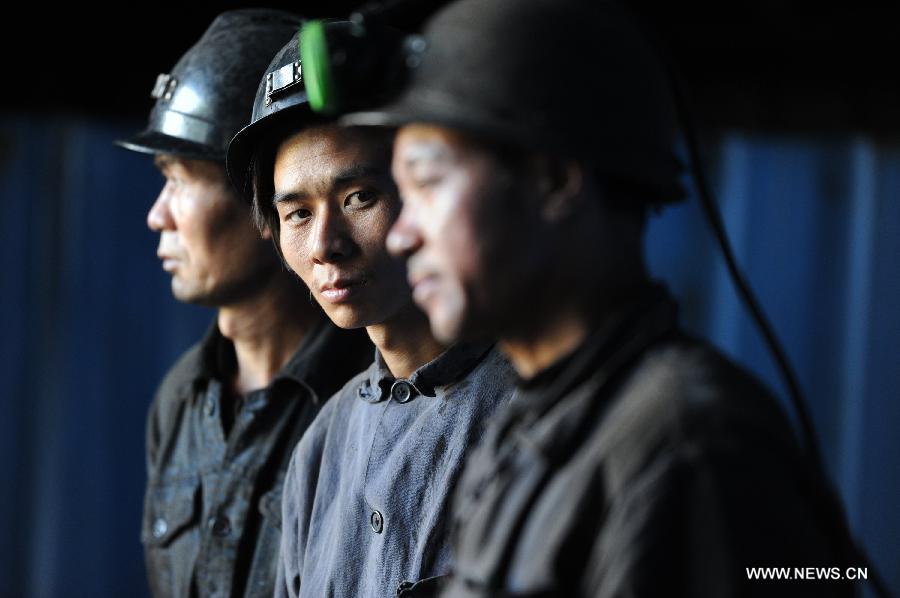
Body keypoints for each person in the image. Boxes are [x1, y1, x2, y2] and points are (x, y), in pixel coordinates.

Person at [343, 0, 858, 595]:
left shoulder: (689, 447)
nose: (402, 236)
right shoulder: (535, 422)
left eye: (429, 183)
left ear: (555, 181)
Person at [225, 28, 516, 598]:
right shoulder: (322, 447)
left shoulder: (532, 414)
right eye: (298, 215)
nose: (326, 245)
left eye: (360, 197)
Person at [116, 11, 371, 597]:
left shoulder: (370, 392)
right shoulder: (181, 398)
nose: (159, 214)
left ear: (262, 200)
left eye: (181, 180)